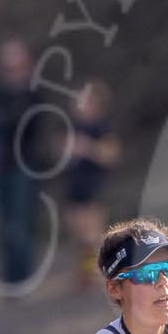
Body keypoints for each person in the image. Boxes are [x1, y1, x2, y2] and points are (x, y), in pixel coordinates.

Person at [0, 40, 44, 286]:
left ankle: (23, 274)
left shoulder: (33, 93)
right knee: (3, 220)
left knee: (21, 219)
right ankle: (9, 274)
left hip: (24, 165)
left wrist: (4, 119)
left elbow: (26, 124)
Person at [63, 81, 119, 283]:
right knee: (78, 234)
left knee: (92, 234)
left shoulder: (101, 127)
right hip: (74, 185)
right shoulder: (74, 126)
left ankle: (101, 272)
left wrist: (87, 148)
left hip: (92, 186)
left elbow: (110, 155)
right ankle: (84, 272)